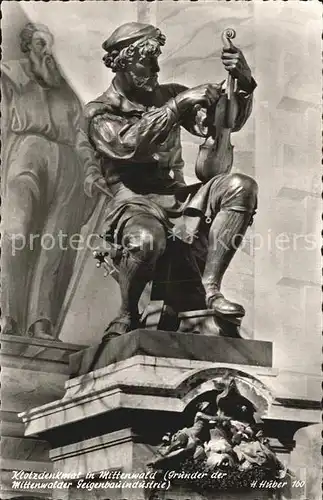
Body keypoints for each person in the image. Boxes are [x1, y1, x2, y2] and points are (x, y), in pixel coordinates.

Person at [84, 22, 258, 337]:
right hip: (133, 203)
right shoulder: (100, 111)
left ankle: (211, 290)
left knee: (240, 187)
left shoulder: (168, 94)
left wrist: (242, 84)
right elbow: (128, 146)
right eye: (146, 59)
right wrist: (176, 107)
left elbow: (222, 123)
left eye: (157, 57)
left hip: (178, 198)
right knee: (147, 239)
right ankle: (126, 314)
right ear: (122, 61)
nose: (156, 66)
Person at [1, 23, 98, 340]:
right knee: (16, 233)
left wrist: (90, 170)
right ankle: (8, 316)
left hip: (68, 162)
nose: (48, 51)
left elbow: (82, 134)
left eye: (51, 45)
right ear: (28, 45)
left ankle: (40, 321)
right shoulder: (9, 76)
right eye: (41, 43)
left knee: (56, 244)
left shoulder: (68, 89)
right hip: (26, 151)